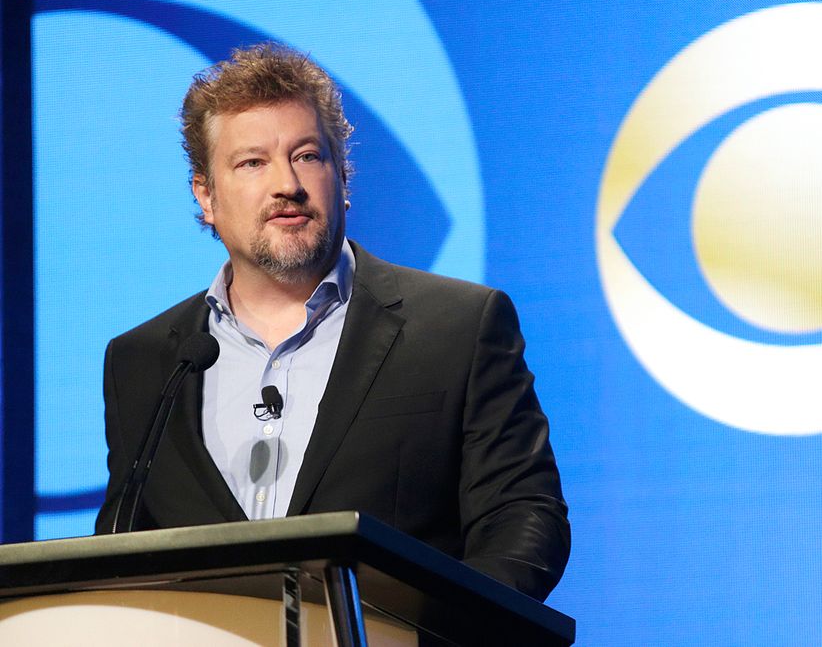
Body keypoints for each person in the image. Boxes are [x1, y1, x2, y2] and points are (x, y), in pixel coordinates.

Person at [94, 43, 569, 601]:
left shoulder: (458, 327)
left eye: (307, 155)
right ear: (206, 195)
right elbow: (123, 546)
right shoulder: (144, 361)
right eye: (252, 162)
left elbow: (522, 519)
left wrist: (434, 633)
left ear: (343, 176)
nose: (286, 185)